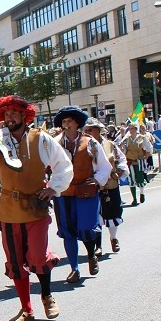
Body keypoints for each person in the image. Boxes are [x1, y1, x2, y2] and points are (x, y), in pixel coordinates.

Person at [0, 95, 73, 321]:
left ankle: (47, 296)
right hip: (9, 208)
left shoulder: (40, 139)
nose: (8, 118)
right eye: (5, 114)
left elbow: (64, 165)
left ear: (23, 115)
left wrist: (53, 189)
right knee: (15, 260)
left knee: (38, 255)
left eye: (13, 114)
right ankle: (26, 309)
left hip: (35, 206)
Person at [51, 107, 110, 283]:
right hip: (64, 193)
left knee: (86, 228)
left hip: (86, 192)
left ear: (77, 123)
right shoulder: (54, 143)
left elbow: (104, 167)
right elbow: (45, 166)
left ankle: (91, 255)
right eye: (64, 122)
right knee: (68, 231)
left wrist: (97, 180)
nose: (66, 124)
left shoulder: (91, 143)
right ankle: (74, 269)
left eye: (69, 121)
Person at [85, 119, 126, 254]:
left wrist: (119, 172)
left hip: (111, 185)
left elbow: (121, 160)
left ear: (98, 130)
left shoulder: (110, 144)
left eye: (90, 129)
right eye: (86, 130)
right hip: (94, 187)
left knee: (113, 213)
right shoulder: (84, 146)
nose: (87, 132)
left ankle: (114, 239)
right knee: (96, 216)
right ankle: (98, 246)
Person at [121, 124, 150, 205]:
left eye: (132, 128)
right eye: (129, 128)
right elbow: (123, 150)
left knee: (140, 178)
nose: (130, 130)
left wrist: (145, 157)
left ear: (135, 129)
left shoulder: (142, 138)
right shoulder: (127, 139)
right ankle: (134, 199)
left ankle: (142, 193)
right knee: (131, 179)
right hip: (130, 161)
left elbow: (149, 148)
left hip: (139, 161)